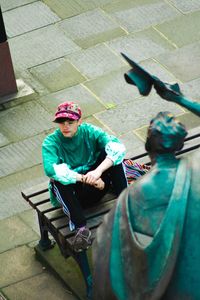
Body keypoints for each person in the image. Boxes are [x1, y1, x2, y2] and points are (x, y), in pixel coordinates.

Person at [93, 82, 200, 300]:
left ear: (147, 146)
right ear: (179, 145)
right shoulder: (196, 172)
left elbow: (106, 252)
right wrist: (180, 99)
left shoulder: (133, 196)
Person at [42, 101, 128, 252]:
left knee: (113, 156)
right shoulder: (51, 142)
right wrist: (89, 179)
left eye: (70, 122)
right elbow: (52, 170)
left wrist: (97, 172)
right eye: (61, 122)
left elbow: (117, 148)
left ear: (79, 121)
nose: (65, 126)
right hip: (75, 198)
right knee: (57, 180)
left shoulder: (90, 131)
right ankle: (81, 229)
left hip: (97, 185)